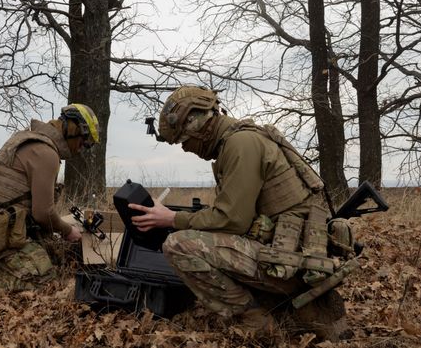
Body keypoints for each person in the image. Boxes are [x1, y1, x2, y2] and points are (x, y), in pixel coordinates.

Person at [129, 85, 353, 341]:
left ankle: (256, 320)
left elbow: (232, 220)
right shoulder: (238, 141)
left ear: (197, 122)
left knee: (178, 245)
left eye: (183, 139)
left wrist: (172, 219)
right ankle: (275, 307)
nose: (185, 148)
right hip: (288, 257)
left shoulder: (240, 144)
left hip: (288, 265)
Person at [0, 103, 100, 290]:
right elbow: (43, 213)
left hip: (3, 228)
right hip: (0, 234)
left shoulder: (28, 138)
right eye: (83, 143)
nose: (80, 149)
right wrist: (68, 231)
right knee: (45, 282)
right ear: (74, 129)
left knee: (60, 260)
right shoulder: (46, 153)